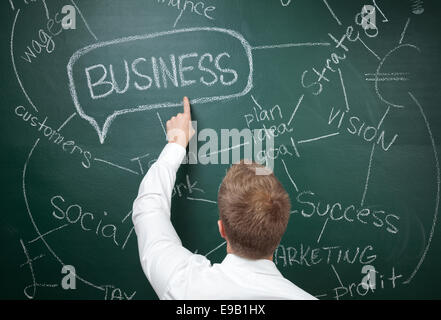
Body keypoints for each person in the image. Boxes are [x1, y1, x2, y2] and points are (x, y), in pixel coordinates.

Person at [132, 97, 317, 300]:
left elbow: (148, 209)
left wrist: (176, 144)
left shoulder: (184, 285)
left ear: (222, 229)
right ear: (280, 233)